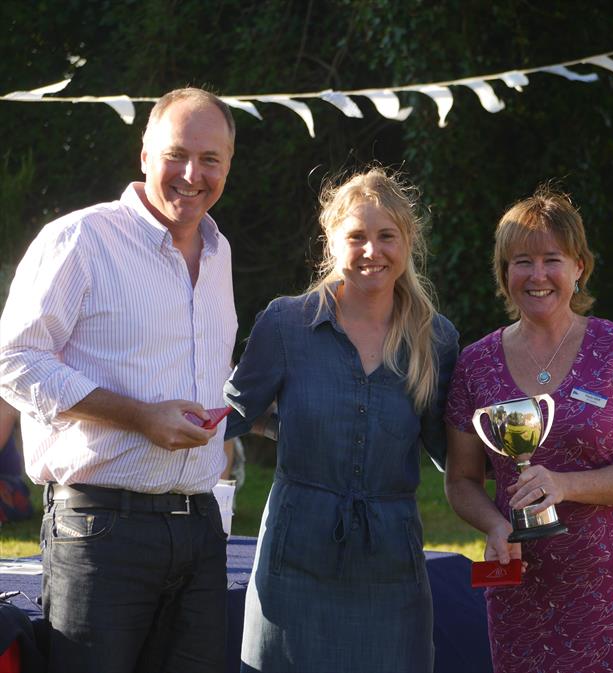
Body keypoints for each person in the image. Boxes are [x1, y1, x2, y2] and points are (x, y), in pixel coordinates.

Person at [0, 87, 238, 673]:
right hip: (101, 529)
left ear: (228, 165)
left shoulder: (219, 250)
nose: (192, 174)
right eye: (176, 154)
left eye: (211, 159)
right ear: (143, 155)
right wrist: (138, 415)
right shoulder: (80, 238)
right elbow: (14, 360)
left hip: (202, 528)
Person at [444, 186, 613, 673]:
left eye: (551, 259)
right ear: (504, 273)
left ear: (579, 267)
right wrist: (497, 526)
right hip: (527, 593)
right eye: (522, 262)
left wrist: (563, 486)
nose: (538, 275)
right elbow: (460, 481)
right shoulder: (475, 365)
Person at [223, 167, 459, 673]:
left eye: (386, 236)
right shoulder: (286, 323)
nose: (372, 251)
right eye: (356, 237)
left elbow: (450, 451)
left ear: (408, 241)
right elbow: (234, 413)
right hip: (294, 563)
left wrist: (524, 462)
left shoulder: (436, 338)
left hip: (392, 568)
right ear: (331, 242)